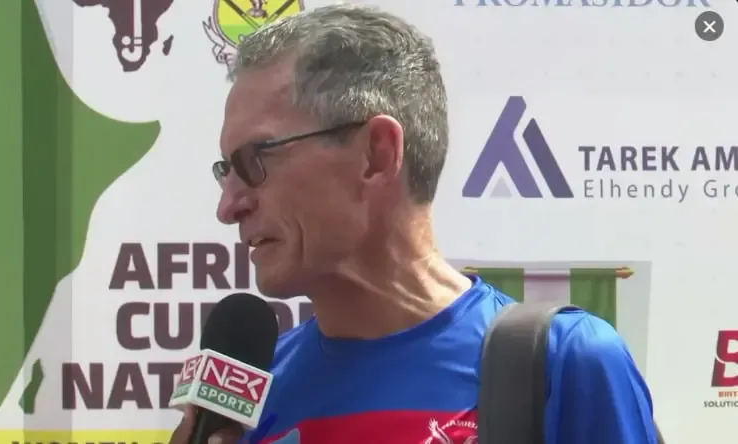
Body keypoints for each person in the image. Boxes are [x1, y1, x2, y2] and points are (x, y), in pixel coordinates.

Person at [170, 4, 658, 444]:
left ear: (377, 155)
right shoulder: (252, 400)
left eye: (255, 160)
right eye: (225, 171)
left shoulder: (564, 363)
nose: (228, 207)